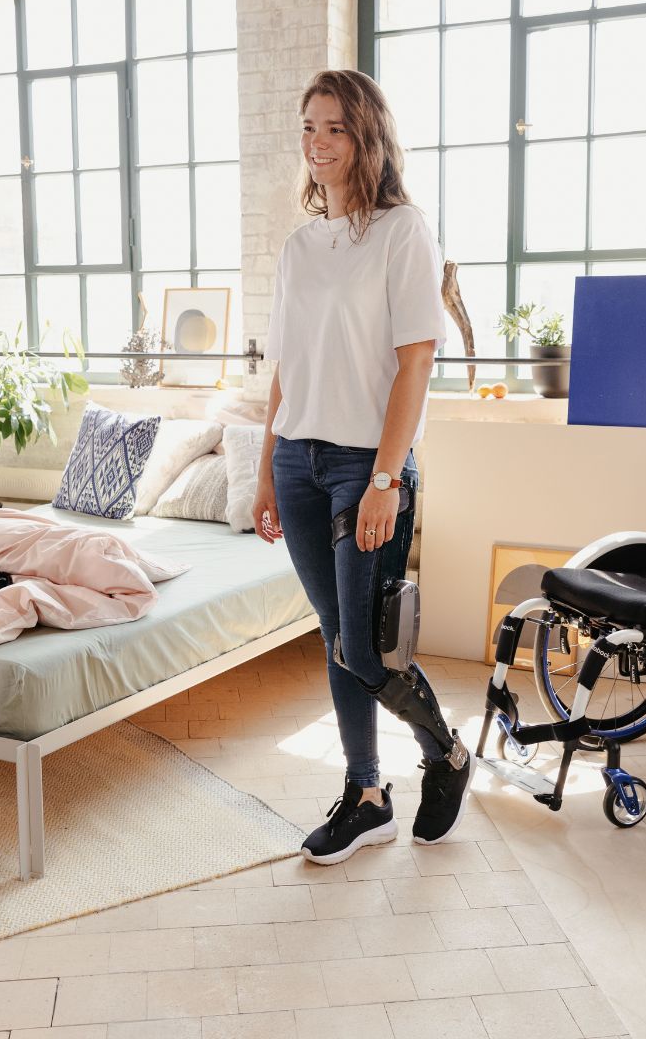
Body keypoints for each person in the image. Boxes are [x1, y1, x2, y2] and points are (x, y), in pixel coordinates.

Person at [251, 69, 472, 866]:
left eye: (335, 128)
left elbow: (416, 363)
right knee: (339, 637)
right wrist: (266, 465)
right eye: (308, 128)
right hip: (301, 461)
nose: (318, 144)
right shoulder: (298, 247)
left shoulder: (402, 231)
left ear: (367, 135)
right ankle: (367, 794)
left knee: (367, 649)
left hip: (362, 466)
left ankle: (446, 754)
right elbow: (286, 368)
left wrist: (385, 478)